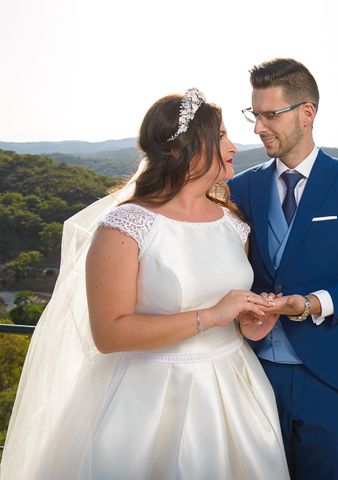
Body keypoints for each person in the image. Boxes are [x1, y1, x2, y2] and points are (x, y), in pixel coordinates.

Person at [0, 89, 290, 479]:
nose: (234, 146)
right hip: (150, 398)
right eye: (220, 136)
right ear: (183, 148)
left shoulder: (233, 224)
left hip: (234, 391)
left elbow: (229, 315)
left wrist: (248, 323)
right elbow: (109, 333)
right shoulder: (125, 227)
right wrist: (214, 314)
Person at [228, 58, 338, 480]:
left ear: (306, 113)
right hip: (252, 372)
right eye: (254, 115)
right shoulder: (240, 188)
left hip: (327, 378)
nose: (258, 127)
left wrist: (312, 303)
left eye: (269, 115)